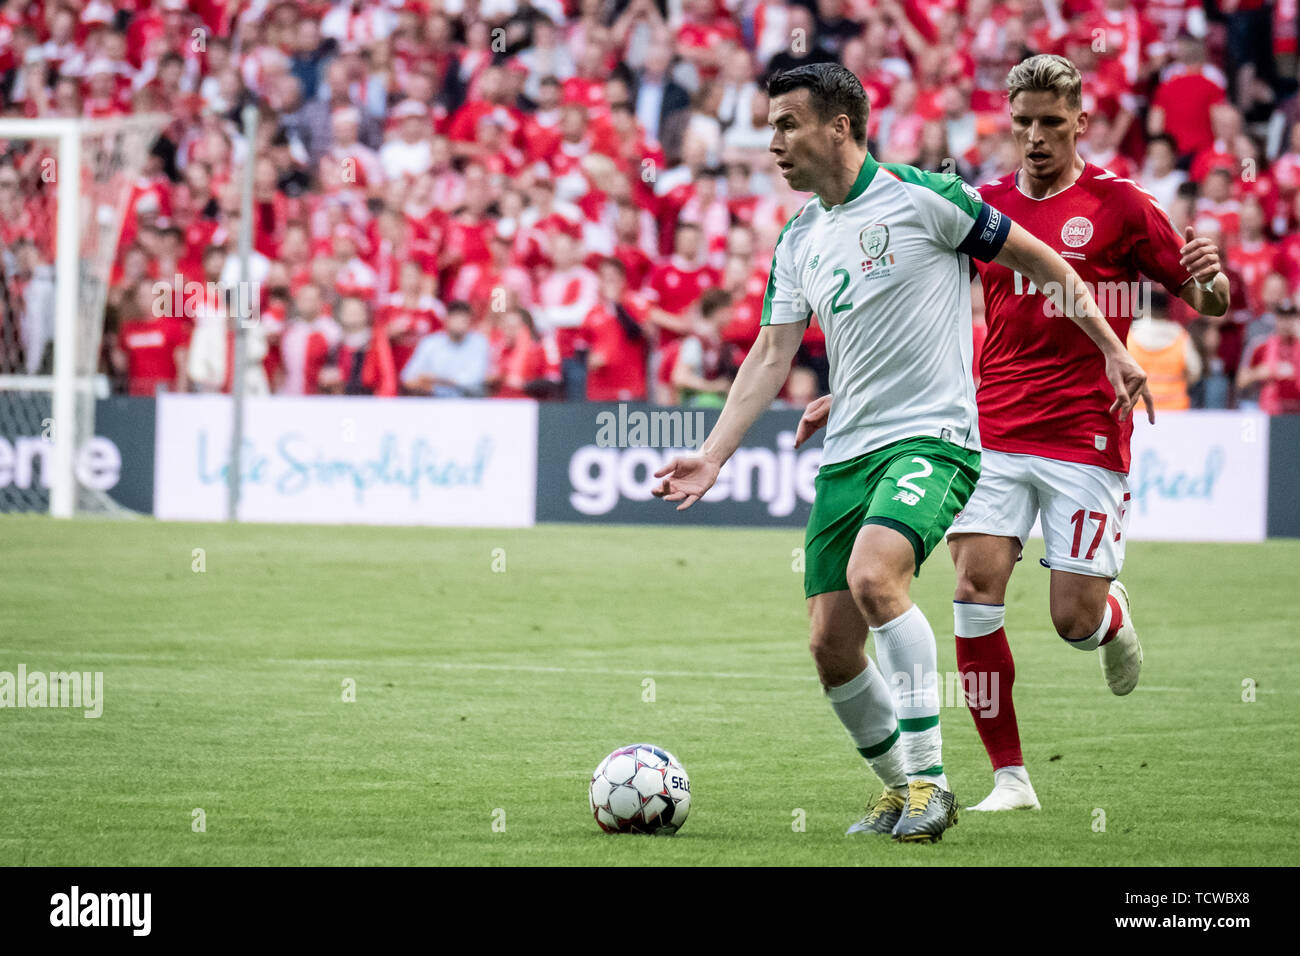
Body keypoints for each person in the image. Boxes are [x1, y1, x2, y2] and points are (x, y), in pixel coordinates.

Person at [651, 62, 1149, 843]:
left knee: (875, 577)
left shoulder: (930, 198)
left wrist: (1113, 349)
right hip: (849, 451)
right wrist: (713, 454)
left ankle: (932, 784)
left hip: (934, 439)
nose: (772, 142)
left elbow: (1048, 265)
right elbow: (772, 351)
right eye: (770, 126)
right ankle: (897, 788)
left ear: (839, 126)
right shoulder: (800, 236)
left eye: (786, 124)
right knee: (830, 644)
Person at [800, 54, 1230, 814]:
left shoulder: (1123, 205)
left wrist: (1209, 276)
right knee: (973, 589)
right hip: (989, 422)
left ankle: (1111, 617)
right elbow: (913, 303)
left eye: (1050, 124)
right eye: (1023, 122)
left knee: (1072, 620)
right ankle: (1010, 779)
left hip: (1086, 432)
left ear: (1081, 125)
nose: (1034, 137)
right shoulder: (983, 203)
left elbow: (1207, 296)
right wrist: (858, 391)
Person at [1237, 300, 1300, 414]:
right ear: (1276, 319)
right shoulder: (1261, 345)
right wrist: (1259, 373)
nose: (1286, 323)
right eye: (1282, 318)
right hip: (1267, 410)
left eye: (1290, 318)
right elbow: (1241, 381)